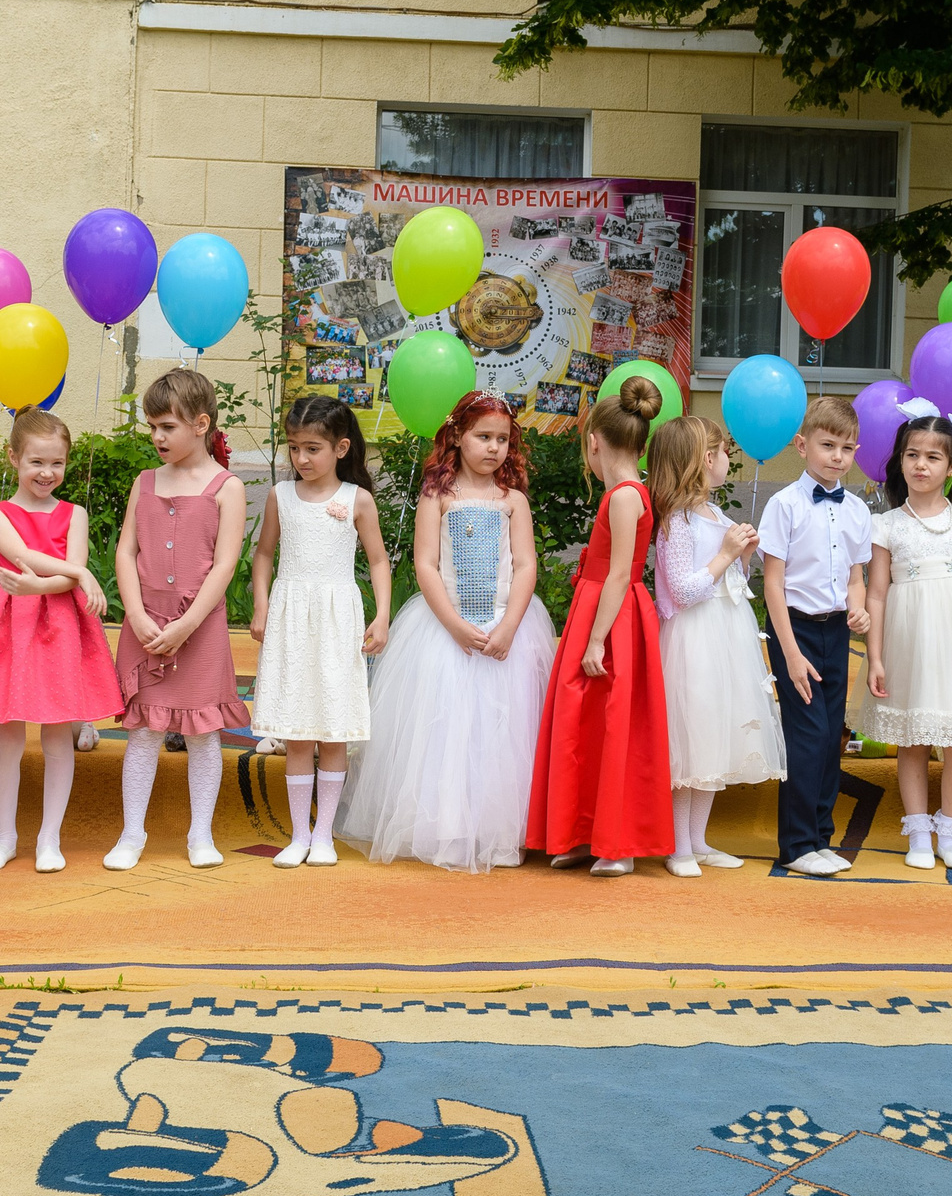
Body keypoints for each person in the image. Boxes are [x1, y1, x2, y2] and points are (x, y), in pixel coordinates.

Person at [338, 390, 556, 873]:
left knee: (503, 732)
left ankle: (499, 830)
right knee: (445, 729)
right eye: (483, 436)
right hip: (444, 631)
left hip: (505, 629)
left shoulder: (512, 500)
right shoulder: (437, 497)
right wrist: (456, 627)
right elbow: (426, 565)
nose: (494, 448)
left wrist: (510, 626)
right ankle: (445, 827)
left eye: (503, 439)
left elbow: (524, 565)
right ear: (458, 436)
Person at [0, 408, 124, 873]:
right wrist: (79, 574)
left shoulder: (74, 514)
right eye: (36, 462)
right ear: (14, 458)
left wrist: (50, 582)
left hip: (59, 628)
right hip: (11, 626)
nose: (47, 473)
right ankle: (5, 837)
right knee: (8, 736)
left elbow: (45, 572)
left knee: (58, 736)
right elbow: (19, 555)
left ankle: (49, 838)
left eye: (57, 463)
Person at [527, 376, 672, 877]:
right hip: (603, 609)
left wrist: (594, 638)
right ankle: (583, 833)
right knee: (585, 722)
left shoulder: (627, 496)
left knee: (614, 722)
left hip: (613, 616)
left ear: (594, 441)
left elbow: (620, 572)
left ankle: (618, 840)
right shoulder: (623, 494)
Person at [108, 368, 248, 871]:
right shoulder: (144, 482)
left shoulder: (226, 487)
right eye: (152, 425)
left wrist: (187, 625)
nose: (156, 436)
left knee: (202, 733)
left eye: (166, 426)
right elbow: (127, 552)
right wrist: (137, 615)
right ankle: (131, 835)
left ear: (200, 424)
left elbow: (226, 563)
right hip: (146, 623)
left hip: (200, 628)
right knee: (143, 731)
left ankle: (201, 836)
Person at [248, 395, 393, 869]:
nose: (301, 459)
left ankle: (324, 835)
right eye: (293, 448)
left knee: (331, 729)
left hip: (336, 618)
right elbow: (265, 554)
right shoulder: (280, 497)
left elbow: (377, 560)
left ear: (341, 448)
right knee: (297, 730)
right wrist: (262, 606)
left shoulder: (357, 500)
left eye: (312, 448)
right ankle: (298, 835)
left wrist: (382, 615)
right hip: (292, 616)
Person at [863, 408, 952, 872]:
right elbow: (878, 593)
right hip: (910, 643)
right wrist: (875, 657)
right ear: (900, 461)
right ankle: (919, 833)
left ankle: (950, 829)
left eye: (932, 457)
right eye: (912, 455)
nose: (920, 465)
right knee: (911, 737)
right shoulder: (886, 524)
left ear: (951, 466)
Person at [648, 414, 784, 877]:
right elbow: (684, 591)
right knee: (692, 738)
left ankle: (698, 840)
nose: (729, 458)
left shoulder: (716, 515)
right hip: (694, 639)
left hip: (726, 632)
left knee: (716, 735)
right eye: (725, 451)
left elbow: (730, 583)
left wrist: (741, 557)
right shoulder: (677, 521)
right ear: (707, 459)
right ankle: (677, 845)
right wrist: (726, 552)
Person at [758, 396, 872, 878]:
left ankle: (821, 836)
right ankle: (796, 843)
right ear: (803, 445)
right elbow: (772, 584)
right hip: (795, 631)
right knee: (806, 737)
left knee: (831, 738)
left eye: (847, 448)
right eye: (828, 445)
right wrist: (788, 651)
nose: (837, 457)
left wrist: (860, 609)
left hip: (834, 633)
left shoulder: (858, 510)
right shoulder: (783, 506)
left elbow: (855, 577)